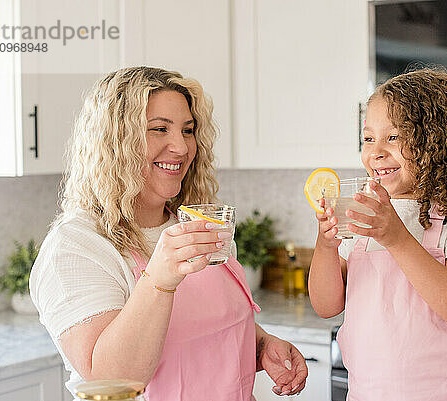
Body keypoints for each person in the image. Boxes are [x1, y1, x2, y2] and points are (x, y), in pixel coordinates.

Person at [29, 66, 307, 401]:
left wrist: (261, 346)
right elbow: (112, 380)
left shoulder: (193, 224)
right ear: (115, 142)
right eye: (159, 129)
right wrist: (159, 280)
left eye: (187, 130)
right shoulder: (76, 248)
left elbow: (206, 330)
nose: (180, 147)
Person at [308, 68, 447, 400]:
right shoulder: (365, 206)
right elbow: (326, 305)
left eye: (393, 137)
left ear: (437, 141)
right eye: (368, 138)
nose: (376, 152)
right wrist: (326, 244)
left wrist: (395, 237)